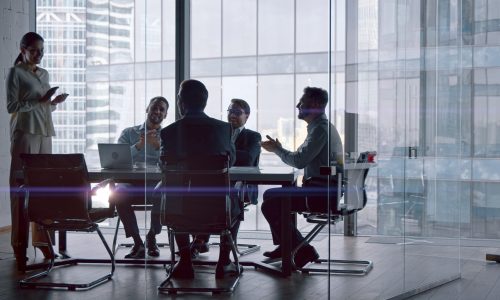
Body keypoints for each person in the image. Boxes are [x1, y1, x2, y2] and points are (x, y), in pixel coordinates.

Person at [160, 79, 241, 279]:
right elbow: (230, 162)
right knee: (235, 201)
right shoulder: (223, 129)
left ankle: (185, 261)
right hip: (217, 207)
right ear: (204, 102)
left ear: (181, 102)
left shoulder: (169, 132)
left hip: (179, 209)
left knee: (173, 194)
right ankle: (224, 262)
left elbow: (164, 166)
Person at [260, 86, 343, 269]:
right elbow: (301, 158)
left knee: (270, 203)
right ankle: (286, 246)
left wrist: (277, 150)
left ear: (314, 105)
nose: (298, 105)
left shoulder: (320, 130)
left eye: (302, 102)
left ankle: (303, 249)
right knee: (270, 196)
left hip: (321, 194)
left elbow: (299, 161)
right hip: (322, 189)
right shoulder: (319, 128)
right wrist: (280, 149)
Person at [6, 32, 69, 266]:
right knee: (21, 188)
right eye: (34, 50)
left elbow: (42, 108)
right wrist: (41, 102)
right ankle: (19, 246)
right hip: (25, 134)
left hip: (44, 133)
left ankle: (43, 242)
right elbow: (12, 106)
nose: (39, 54)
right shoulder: (16, 73)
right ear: (23, 50)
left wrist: (52, 104)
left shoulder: (44, 73)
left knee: (43, 188)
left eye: (41, 50)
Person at [191, 98, 262, 257]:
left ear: (247, 116)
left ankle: (221, 247)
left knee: (229, 195)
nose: (232, 115)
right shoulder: (218, 133)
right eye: (230, 111)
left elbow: (248, 159)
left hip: (242, 186)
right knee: (196, 193)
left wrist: (222, 152)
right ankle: (200, 239)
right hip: (216, 183)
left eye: (237, 112)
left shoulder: (253, 137)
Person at [113, 96, 169, 258]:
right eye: (154, 108)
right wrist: (139, 145)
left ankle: (152, 236)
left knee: (163, 191)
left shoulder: (168, 136)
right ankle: (138, 242)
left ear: (165, 115)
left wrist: (159, 147)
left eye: (161, 109)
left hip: (156, 184)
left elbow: (172, 161)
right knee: (118, 192)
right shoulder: (129, 133)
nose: (157, 111)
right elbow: (117, 158)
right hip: (131, 183)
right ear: (147, 109)